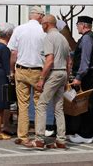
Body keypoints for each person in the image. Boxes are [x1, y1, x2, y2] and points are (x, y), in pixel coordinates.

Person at [25, 15, 70, 149]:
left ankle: (39, 139)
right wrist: (67, 77)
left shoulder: (49, 37)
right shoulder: (63, 38)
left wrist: (41, 79)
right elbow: (69, 61)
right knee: (58, 107)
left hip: (54, 72)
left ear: (46, 24)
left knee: (41, 105)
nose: (41, 26)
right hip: (63, 72)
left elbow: (49, 60)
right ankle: (61, 140)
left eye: (42, 24)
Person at [8, 6, 45, 145]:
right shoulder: (43, 30)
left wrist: (12, 70)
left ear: (31, 15)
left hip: (21, 69)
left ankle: (23, 135)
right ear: (40, 16)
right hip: (37, 70)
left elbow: (13, 53)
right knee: (38, 105)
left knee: (22, 104)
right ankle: (38, 135)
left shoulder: (19, 29)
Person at [68, 15, 93, 144]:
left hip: (87, 75)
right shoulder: (88, 37)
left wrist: (79, 77)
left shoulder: (87, 38)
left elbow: (85, 60)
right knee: (86, 103)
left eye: (78, 24)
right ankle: (86, 133)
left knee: (85, 104)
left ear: (84, 25)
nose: (77, 27)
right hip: (89, 74)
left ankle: (86, 135)